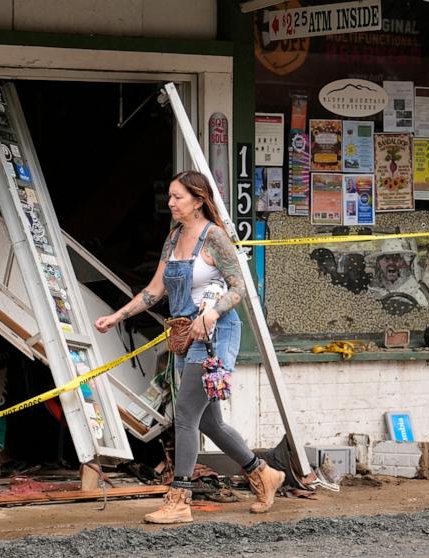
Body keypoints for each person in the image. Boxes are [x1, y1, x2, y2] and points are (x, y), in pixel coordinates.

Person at [94, 170, 285, 524]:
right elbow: (155, 291)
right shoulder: (173, 238)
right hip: (185, 337)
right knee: (208, 422)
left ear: (198, 200)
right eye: (169, 196)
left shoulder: (215, 238)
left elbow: (240, 287)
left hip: (216, 336)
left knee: (184, 415)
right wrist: (117, 316)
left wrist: (212, 312)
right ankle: (264, 473)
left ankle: (180, 499)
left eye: (177, 197)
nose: (170, 203)